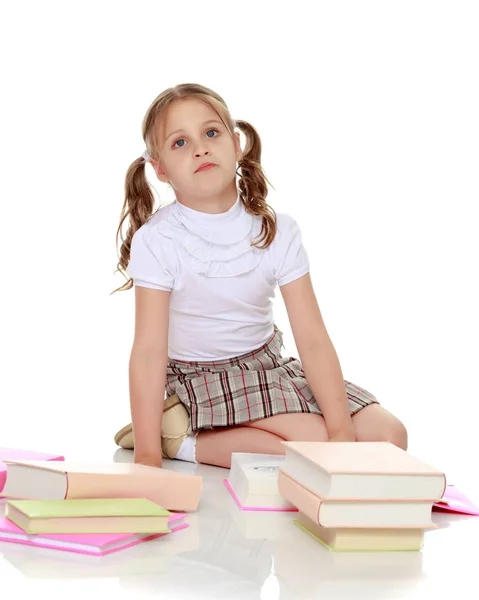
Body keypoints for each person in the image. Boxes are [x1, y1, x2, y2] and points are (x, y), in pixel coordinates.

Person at [112, 83, 407, 469]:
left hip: (268, 366)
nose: (200, 147)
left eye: (211, 133)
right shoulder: (159, 240)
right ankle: (177, 439)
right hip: (203, 377)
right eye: (180, 143)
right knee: (308, 448)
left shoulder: (277, 231)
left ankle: (198, 430)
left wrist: (340, 433)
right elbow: (148, 352)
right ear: (160, 169)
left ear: (236, 145)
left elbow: (313, 339)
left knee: (390, 437)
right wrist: (148, 458)